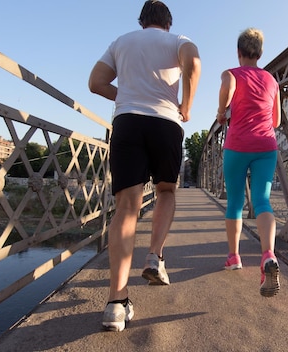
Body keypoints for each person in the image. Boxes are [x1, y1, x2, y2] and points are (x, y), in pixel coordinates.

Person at [88, 0, 201, 331]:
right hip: (166, 123)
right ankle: (155, 256)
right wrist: (187, 106)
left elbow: (95, 83)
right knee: (166, 190)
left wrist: (127, 95)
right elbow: (193, 63)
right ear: (167, 22)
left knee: (126, 208)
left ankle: (115, 304)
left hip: (127, 122)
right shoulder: (178, 40)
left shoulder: (120, 43)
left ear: (142, 22)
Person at [216, 28, 281, 297]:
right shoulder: (272, 81)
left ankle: (234, 257)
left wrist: (222, 112)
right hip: (266, 146)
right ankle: (268, 254)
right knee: (262, 201)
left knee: (234, 202)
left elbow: (228, 90)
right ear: (260, 53)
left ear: (239, 52)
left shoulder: (231, 73)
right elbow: (276, 121)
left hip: (238, 145)